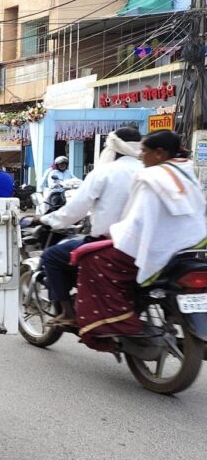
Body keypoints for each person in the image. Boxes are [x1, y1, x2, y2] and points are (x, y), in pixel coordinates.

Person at [75, 130, 207, 349]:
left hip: (158, 249)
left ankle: (119, 321)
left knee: (88, 258)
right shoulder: (186, 172)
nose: (141, 156)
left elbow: (137, 221)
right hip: (188, 246)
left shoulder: (150, 177)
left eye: (144, 152)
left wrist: (115, 234)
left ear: (159, 153)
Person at [38, 128, 142, 329]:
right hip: (146, 244)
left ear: (112, 148)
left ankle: (68, 313)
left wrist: (47, 220)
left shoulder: (105, 172)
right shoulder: (150, 170)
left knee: (52, 256)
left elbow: (74, 211)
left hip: (107, 243)